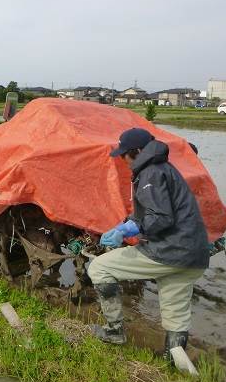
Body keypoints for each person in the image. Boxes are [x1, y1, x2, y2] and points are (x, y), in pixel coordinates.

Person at [87, 128, 209, 361]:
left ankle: (114, 332)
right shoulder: (164, 168)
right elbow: (151, 211)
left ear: (137, 152)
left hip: (169, 250)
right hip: (193, 255)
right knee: (176, 311)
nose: (122, 160)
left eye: (124, 154)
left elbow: (161, 218)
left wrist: (131, 229)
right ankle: (174, 361)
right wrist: (125, 224)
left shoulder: (151, 173)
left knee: (99, 268)